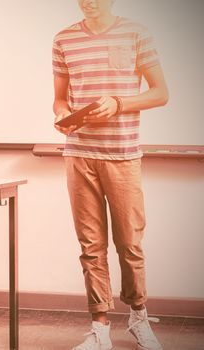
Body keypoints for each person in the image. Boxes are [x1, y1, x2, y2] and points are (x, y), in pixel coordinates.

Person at [52, 1, 169, 349]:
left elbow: (161, 93)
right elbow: (58, 100)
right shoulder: (63, 39)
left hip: (122, 156)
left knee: (130, 244)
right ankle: (99, 329)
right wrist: (63, 115)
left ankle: (138, 318)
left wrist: (118, 103)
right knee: (91, 247)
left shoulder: (136, 33)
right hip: (79, 155)